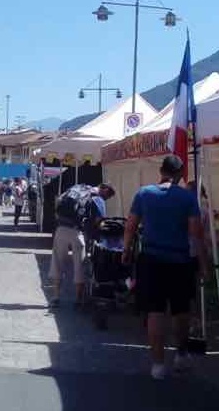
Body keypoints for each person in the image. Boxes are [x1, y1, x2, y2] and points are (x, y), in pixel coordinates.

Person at [122, 155, 208, 380]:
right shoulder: (188, 198)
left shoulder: (144, 194)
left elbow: (130, 227)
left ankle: (158, 365)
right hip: (180, 261)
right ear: (179, 174)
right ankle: (180, 353)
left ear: (161, 171)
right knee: (181, 310)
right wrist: (204, 264)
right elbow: (196, 235)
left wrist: (125, 251)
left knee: (155, 312)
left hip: (151, 259)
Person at [48, 183, 115, 309]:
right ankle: (78, 299)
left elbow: (59, 202)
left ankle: (56, 297)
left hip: (61, 228)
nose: (107, 198)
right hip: (76, 231)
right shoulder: (97, 198)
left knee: (57, 262)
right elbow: (99, 221)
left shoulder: (78, 188)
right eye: (108, 195)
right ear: (104, 189)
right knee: (80, 265)